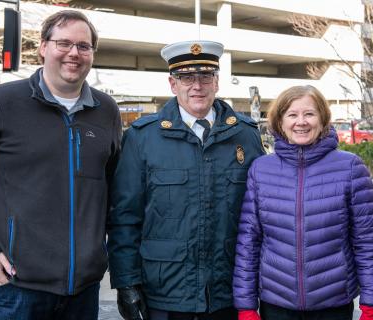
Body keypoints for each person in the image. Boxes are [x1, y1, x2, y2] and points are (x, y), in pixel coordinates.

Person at [0, 10, 121, 319]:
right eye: (63, 43)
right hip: (17, 287)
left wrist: (101, 251)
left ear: (92, 52)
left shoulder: (106, 111)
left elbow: (114, 187)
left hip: (85, 289)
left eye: (83, 46)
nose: (73, 53)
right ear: (42, 47)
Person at [108, 40, 265, 320]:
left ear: (216, 82)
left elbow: (262, 214)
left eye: (205, 76)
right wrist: (125, 281)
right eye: (186, 77)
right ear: (172, 83)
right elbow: (124, 217)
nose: (197, 85)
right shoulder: (142, 138)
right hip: (164, 292)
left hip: (229, 290)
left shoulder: (246, 135)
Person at [233, 85, 373, 320]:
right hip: (276, 305)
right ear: (280, 121)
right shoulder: (261, 170)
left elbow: (369, 242)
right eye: (292, 114)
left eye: (309, 114)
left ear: (323, 119)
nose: (301, 122)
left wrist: (372, 305)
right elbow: (249, 242)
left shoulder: (350, 167)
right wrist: (245, 306)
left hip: (333, 304)